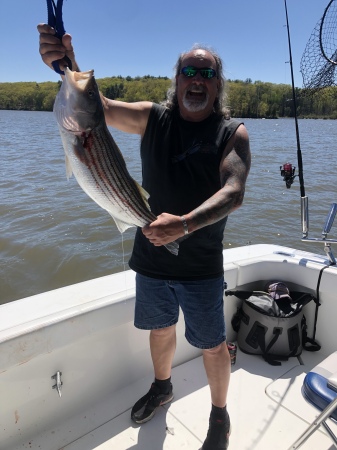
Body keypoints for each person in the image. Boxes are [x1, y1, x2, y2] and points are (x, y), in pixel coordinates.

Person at [38, 24, 251, 449]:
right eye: (190, 71)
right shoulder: (154, 117)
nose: (197, 80)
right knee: (159, 329)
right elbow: (97, 108)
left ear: (218, 85)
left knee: (212, 345)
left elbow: (234, 192)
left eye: (207, 74)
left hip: (201, 264)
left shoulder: (232, 133)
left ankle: (219, 414)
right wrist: (67, 66)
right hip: (151, 257)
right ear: (177, 79)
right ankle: (162, 386)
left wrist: (185, 224)